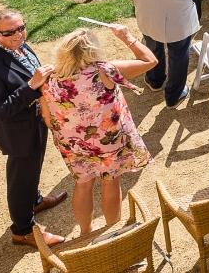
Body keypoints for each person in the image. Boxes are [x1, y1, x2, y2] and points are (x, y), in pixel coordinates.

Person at [39, 25, 155, 238]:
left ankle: (85, 233)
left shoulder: (47, 80)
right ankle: (113, 234)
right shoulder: (104, 70)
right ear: (93, 50)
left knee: (82, 184)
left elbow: (47, 118)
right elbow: (150, 61)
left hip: (72, 144)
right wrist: (127, 37)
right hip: (108, 141)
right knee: (110, 183)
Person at [0, 8, 67, 249]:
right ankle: (22, 230)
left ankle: (33, 201)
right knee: (20, 178)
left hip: (33, 121)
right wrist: (32, 85)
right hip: (17, 132)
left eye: (21, 28)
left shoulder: (13, 44)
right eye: (10, 32)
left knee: (33, 168)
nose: (18, 35)